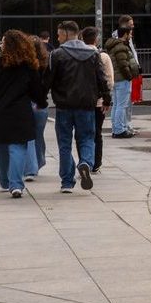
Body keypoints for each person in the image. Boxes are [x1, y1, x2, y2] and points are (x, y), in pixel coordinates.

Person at [0, 29, 49, 198]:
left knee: (2, 148)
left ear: (8, 46)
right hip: (21, 113)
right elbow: (36, 91)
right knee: (18, 148)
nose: (1, 45)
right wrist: (41, 103)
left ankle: (4, 181)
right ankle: (16, 184)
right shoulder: (29, 67)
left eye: (3, 42)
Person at [49, 20, 109, 192]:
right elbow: (101, 78)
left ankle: (67, 182)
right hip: (86, 105)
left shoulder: (57, 54)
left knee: (64, 143)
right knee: (87, 138)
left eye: (60, 34)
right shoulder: (93, 54)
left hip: (63, 106)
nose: (58, 38)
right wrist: (106, 99)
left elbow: (48, 79)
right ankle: (85, 163)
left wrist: (40, 99)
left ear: (67, 34)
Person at [81, 26, 113, 173]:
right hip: (99, 101)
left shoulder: (78, 55)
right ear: (97, 39)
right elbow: (109, 80)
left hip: (81, 100)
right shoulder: (103, 56)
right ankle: (96, 163)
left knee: (83, 133)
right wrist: (107, 99)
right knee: (97, 132)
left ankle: (84, 160)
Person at [104, 24, 139, 138]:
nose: (131, 35)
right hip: (122, 79)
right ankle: (119, 130)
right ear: (125, 34)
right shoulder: (121, 47)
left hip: (116, 79)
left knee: (116, 105)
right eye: (130, 33)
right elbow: (123, 64)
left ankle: (116, 128)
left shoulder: (113, 46)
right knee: (121, 105)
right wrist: (129, 76)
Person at [29, 35, 51, 175]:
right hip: (41, 103)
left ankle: (31, 165)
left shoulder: (25, 65)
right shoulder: (45, 64)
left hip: (28, 102)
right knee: (38, 134)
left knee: (28, 136)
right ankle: (39, 161)